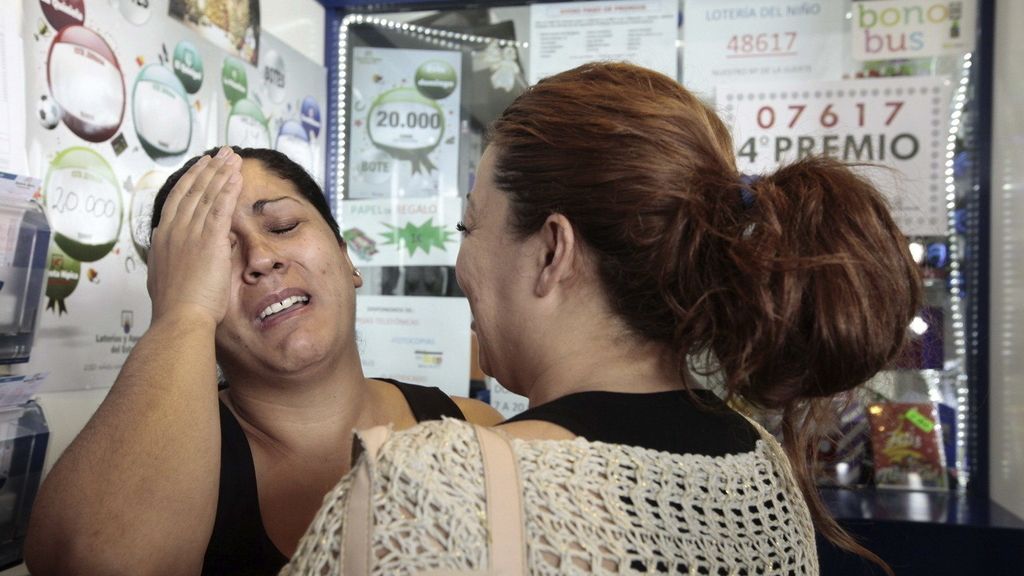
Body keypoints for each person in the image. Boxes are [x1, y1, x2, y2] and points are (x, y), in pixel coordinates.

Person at [284, 62, 919, 575]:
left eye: (470, 225)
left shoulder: (435, 487)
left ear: (554, 252)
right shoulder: (762, 472)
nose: (461, 261)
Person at [24, 146, 501, 575]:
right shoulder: (159, 464)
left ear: (345, 255)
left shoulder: (478, 430)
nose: (261, 257)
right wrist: (183, 315)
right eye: (218, 254)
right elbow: (96, 560)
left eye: (283, 226)